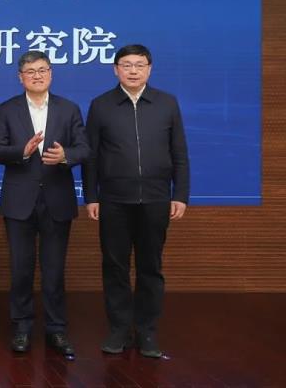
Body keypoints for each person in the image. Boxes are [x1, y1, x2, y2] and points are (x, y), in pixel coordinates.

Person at [82, 44, 190, 358]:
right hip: (113, 200)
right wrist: (92, 196)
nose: (133, 71)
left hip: (156, 198)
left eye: (139, 65)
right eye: (126, 65)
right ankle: (118, 330)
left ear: (149, 69)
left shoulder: (167, 103)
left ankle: (147, 332)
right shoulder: (101, 105)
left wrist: (180, 194)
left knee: (150, 267)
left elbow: (179, 153)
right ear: (115, 69)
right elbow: (91, 156)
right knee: (115, 266)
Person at [0, 50, 90, 357]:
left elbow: (84, 148)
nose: (37, 75)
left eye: (42, 70)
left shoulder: (68, 108)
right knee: (21, 269)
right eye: (31, 71)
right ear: (20, 77)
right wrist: (22, 151)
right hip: (19, 201)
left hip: (57, 199)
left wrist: (66, 156)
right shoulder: (7, 109)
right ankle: (21, 327)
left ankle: (56, 329)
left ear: (51, 74)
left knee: (54, 270)